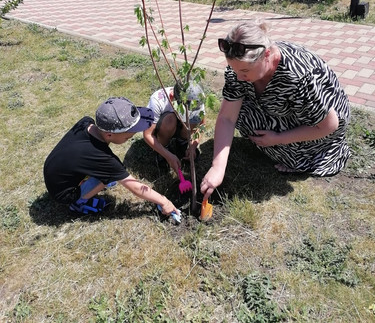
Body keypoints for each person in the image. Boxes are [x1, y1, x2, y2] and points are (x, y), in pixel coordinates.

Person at [201, 20, 351, 200]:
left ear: (267, 54)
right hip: (289, 111)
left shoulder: (297, 77)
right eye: (234, 69)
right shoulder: (240, 69)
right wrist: (217, 167)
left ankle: (301, 159)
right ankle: (279, 144)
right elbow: (227, 118)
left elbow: (329, 125)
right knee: (242, 115)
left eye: (245, 71)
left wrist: (279, 138)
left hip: (320, 126)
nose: (239, 77)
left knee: (281, 144)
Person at [44, 96, 179, 216]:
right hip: (64, 192)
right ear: (109, 135)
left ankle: (85, 182)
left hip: (56, 172)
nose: (132, 135)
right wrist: (164, 201)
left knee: (110, 173)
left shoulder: (86, 123)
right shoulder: (103, 159)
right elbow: (135, 187)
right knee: (108, 177)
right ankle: (79, 203)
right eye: (128, 136)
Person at [143, 82, 205, 173]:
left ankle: (182, 144)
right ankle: (164, 149)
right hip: (163, 127)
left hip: (181, 125)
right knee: (169, 121)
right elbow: (147, 134)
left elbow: (201, 124)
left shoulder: (196, 100)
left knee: (193, 119)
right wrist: (168, 156)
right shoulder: (157, 101)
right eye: (184, 107)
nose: (188, 111)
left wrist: (193, 146)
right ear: (172, 97)